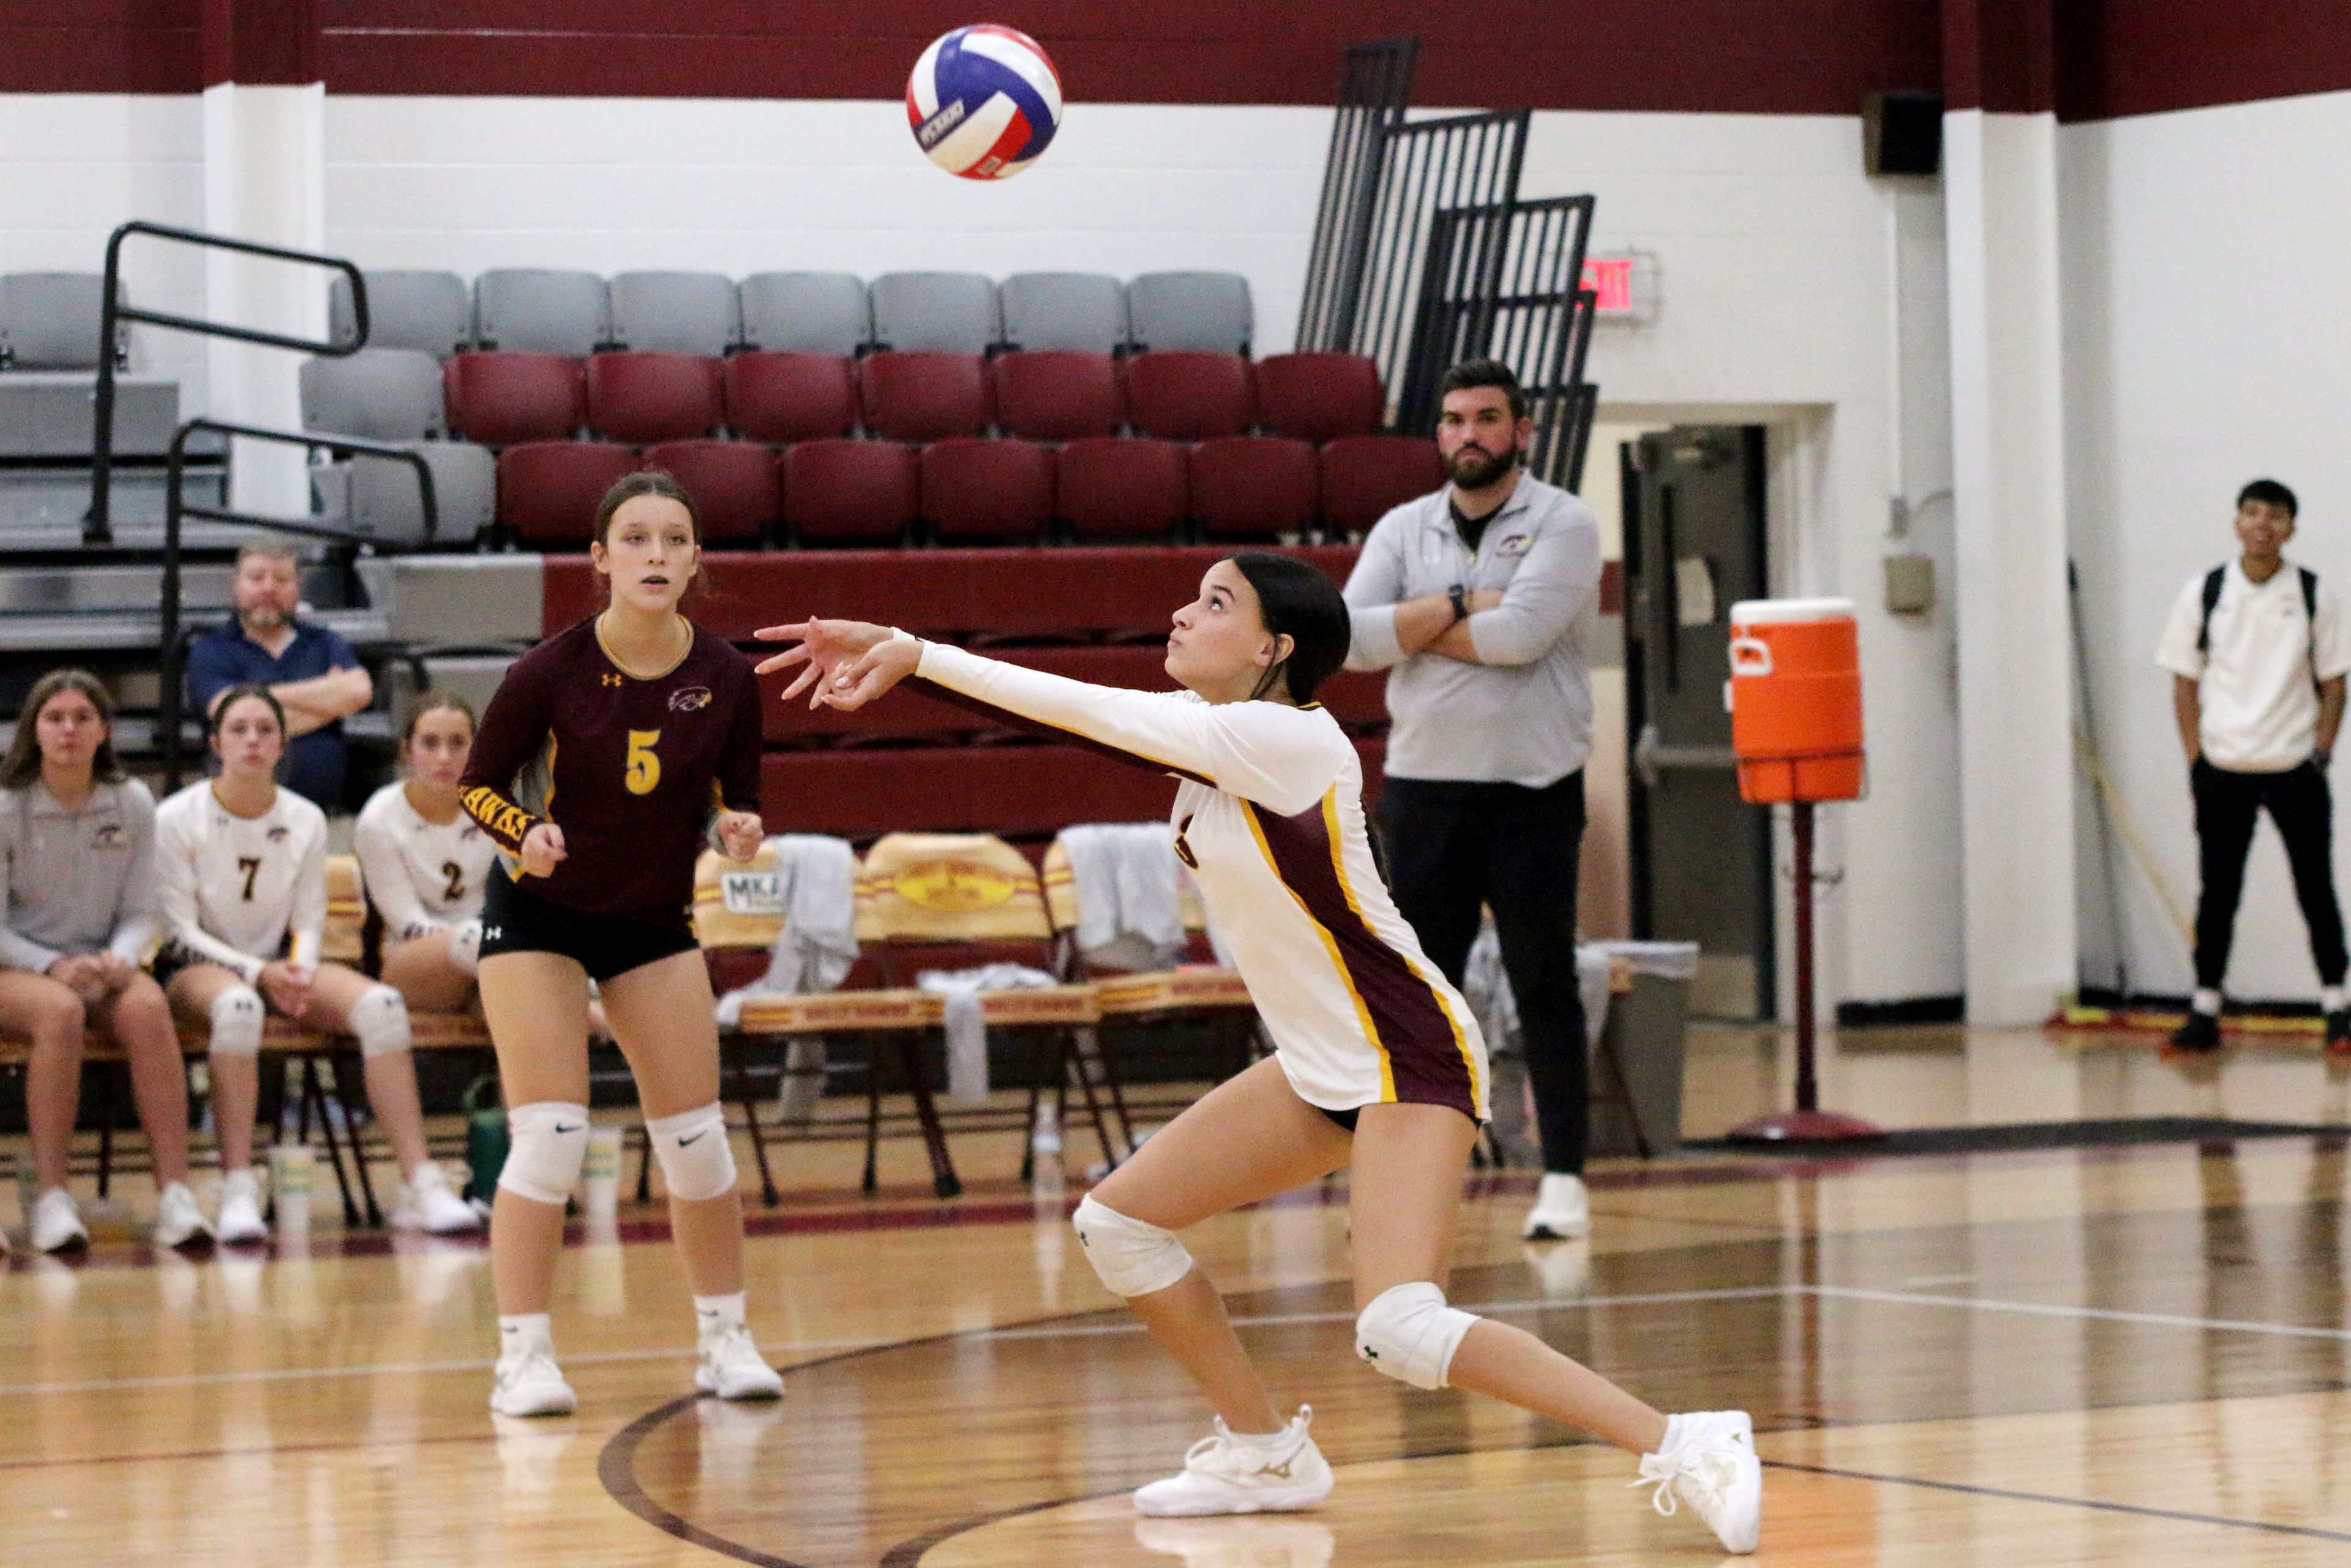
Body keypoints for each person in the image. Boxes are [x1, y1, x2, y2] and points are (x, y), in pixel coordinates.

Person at [757, 553, 1760, 1555]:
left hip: (1407, 1050)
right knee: (1120, 1224)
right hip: (1324, 1064)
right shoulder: (1224, 747)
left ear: (1274, 650)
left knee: (1400, 1327)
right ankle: (1263, 1449)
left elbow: (1086, 712)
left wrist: (918, 655)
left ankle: (1683, 1438)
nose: (1184, 614)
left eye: (1216, 604)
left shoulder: (1279, 735)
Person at [457, 470, 780, 1419]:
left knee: (697, 1141)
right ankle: (522, 1357)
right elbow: (480, 786)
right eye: (634, 540)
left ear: (694, 560)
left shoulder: (724, 674)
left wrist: (738, 830)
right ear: (600, 560)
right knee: (552, 1134)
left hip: (648, 919)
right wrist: (523, 833)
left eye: (673, 540)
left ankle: (726, 1341)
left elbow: (737, 795)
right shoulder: (546, 672)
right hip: (537, 918)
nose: (655, 556)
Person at [1338, 358, 1604, 1241]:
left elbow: (1521, 637)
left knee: (1543, 980)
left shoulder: (1564, 521)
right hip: (1423, 791)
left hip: (1532, 790)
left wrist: (1416, 625)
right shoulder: (1405, 525)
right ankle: (1416, 1177)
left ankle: (1564, 1174)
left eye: (1488, 419)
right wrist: (1460, 602)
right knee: (1424, 993)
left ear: (1521, 432)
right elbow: (1352, 639)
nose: (1469, 435)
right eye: (1454, 421)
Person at [155, 683, 481, 1243]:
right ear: (216, 743)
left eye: (266, 731)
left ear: (283, 745)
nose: (253, 741)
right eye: (240, 729)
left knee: (381, 1007)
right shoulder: (177, 816)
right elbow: (180, 931)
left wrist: (301, 970)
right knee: (237, 1009)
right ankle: (238, 1186)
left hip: (284, 963)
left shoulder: (303, 817)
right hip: (199, 968)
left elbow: (308, 919)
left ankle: (419, 1184)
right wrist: (261, 975)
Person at [0, 670, 207, 1251]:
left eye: (82, 718)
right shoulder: (7, 804)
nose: (69, 730)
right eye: (55, 718)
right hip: (21, 966)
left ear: (104, 732)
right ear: (34, 730)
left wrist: (120, 958)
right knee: (60, 1012)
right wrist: (50, 965)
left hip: (100, 962)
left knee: (148, 1006)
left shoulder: (132, 800)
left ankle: (175, 1195)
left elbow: (145, 908)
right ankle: (51, 1199)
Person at [2157, 478, 2351, 1054]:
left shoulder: (2315, 592)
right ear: (2237, 522)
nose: (2263, 524)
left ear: (2291, 528)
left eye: (2276, 516)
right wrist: (2197, 759)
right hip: (2224, 765)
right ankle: (2204, 1009)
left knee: (2315, 887)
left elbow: (2335, 682)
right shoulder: (2207, 591)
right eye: (2252, 513)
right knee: (2218, 891)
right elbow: (2184, 681)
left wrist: (2320, 753)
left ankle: (2336, 1008)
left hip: (2294, 765)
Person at [186, 539, 372, 809]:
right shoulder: (211, 650)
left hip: (324, 813)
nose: (269, 588)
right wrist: (327, 702)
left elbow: (359, 692)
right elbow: (228, 713)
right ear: (236, 583)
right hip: (236, 811)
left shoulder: (324, 641)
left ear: (299, 586)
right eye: (257, 578)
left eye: (282, 580)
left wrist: (255, 697)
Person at [355, 693, 498, 1016]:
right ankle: (591, 1011)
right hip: (410, 964)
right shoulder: (380, 818)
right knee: (475, 938)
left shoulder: (496, 810)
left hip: (488, 967)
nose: (444, 757)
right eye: (430, 744)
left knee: (519, 1016)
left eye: (458, 743)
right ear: (408, 750)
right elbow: (408, 923)